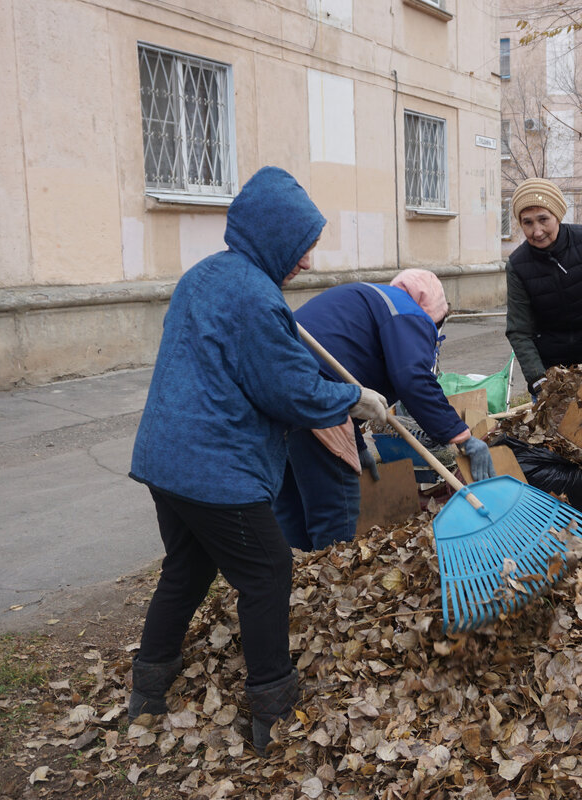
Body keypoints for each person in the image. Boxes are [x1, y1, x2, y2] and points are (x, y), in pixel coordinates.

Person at [126, 167, 390, 756]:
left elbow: (249, 367)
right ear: (274, 239)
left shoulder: (207, 277)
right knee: (267, 571)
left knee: (187, 570)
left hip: (165, 462)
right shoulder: (253, 297)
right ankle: (273, 710)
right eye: (302, 250)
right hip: (215, 470)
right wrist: (356, 398)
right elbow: (290, 393)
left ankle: (146, 692)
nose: (309, 264)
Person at [273, 269, 496, 551]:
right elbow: (413, 379)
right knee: (334, 509)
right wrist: (462, 437)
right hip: (317, 400)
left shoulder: (373, 299)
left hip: (276, 394)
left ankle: (291, 585)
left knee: (291, 507)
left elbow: (346, 373)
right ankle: (327, 584)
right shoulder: (409, 313)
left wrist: (357, 446)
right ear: (435, 315)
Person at [504, 178, 582, 398]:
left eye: (543, 219)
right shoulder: (518, 266)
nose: (537, 231)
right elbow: (519, 330)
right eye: (527, 223)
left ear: (558, 216)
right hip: (552, 370)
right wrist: (539, 378)